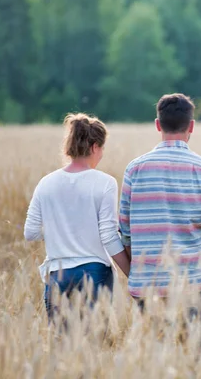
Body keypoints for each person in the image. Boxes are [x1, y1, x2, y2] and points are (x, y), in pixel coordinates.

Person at [118, 93, 201, 325]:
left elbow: (125, 231)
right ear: (192, 126)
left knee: (152, 355)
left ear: (158, 124)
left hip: (147, 286)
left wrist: (139, 272)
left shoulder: (134, 169)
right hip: (193, 282)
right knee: (192, 355)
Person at [24, 113, 130, 324]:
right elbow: (108, 235)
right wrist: (132, 273)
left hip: (57, 274)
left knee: (63, 347)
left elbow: (30, 232)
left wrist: (61, 229)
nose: (101, 154)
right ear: (93, 147)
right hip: (94, 272)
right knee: (91, 345)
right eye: (102, 148)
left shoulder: (46, 183)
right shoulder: (105, 183)